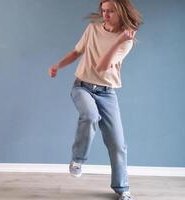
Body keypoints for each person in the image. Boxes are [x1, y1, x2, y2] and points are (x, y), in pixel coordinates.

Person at [48, 0, 142, 199]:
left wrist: (118, 40)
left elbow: (102, 66)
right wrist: (58, 65)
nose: (106, 15)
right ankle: (78, 160)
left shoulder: (126, 39)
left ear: (121, 12)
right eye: (104, 11)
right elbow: (76, 52)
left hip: (107, 93)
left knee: (118, 143)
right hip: (82, 87)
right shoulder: (92, 29)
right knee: (90, 116)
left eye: (111, 11)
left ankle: (122, 188)